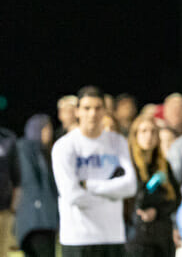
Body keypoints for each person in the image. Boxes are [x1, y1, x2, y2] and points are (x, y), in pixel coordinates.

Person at [51, 85, 137, 256]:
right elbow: (72, 195)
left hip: (113, 237)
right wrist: (112, 196)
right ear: (77, 112)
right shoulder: (64, 146)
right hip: (78, 238)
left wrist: (89, 185)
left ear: (105, 111)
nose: (92, 113)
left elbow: (130, 186)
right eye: (87, 108)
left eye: (98, 108)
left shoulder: (118, 142)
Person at [126, 114, 181, 257]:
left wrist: (157, 211)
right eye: (144, 131)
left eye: (153, 132)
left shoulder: (163, 165)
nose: (149, 136)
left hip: (162, 237)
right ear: (135, 135)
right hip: (136, 238)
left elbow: (176, 198)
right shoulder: (128, 164)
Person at [15, 115, 59, 257]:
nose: (49, 133)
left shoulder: (46, 151)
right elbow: (29, 180)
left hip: (47, 219)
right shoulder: (25, 148)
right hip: (36, 219)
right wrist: (40, 206)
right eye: (45, 128)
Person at [0, 124, 20, 257]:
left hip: (4, 206)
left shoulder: (7, 139)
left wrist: (15, 203)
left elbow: (17, 176)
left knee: (2, 250)